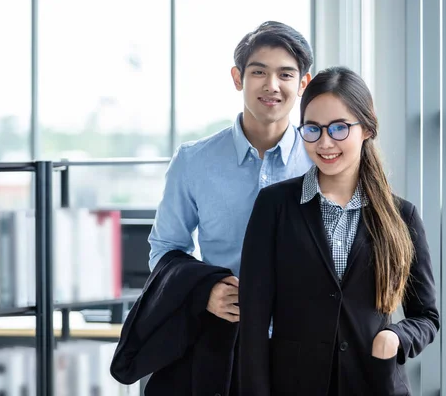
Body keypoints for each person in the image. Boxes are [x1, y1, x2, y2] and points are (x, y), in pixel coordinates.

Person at [111, 21, 314, 395]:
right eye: (259, 72)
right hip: (223, 344)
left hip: (304, 346)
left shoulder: (322, 160)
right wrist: (204, 290)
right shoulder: (194, 162)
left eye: (285, 74)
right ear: (238, 78)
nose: (272, 85)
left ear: (303, 83)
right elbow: (165, 248)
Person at [238, 66, 440, 396]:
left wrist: (396, 337)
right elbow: (254, 322)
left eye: (339, 128)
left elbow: (427, 317)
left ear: (367, 128)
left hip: (375, 384)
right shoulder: (274, 206)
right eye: (313, 129)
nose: (325, 142)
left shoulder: (401, 216)